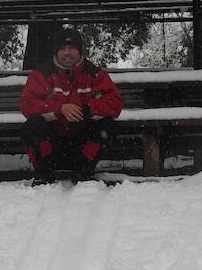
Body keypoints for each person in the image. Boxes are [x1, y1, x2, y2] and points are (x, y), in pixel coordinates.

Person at [19, 27, 124, 184]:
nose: (67, 53)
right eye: (62, 49)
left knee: (108, 126)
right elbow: (27, 105)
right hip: (52, 144)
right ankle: (44, 173)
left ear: (80, 51)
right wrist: (59, 108)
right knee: (32, 125)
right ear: (55, 52)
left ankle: (83, 171)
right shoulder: (41, 75)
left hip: (81, 144)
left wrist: (87, 109)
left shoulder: (95, 74)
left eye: (71, 48)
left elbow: (115, 103)